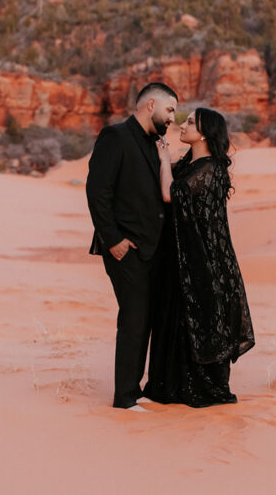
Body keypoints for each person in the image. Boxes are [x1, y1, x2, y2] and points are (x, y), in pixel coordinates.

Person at [143, 107, 255, 407]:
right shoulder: (189, 164)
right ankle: (169, 385)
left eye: (190, 122)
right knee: (175, 317)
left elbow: (171, 194)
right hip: (180, 256)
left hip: (203, 259)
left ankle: (197, 387)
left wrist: (164, 160)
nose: (183, 125)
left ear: (204, 133)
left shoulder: (210, 168)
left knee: (198, 318)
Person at [86, 82, 178, 410]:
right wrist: (113, 241)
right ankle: (124, 398)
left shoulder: (156, 144)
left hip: (154, 250)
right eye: (169, 109)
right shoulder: (116, 137)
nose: (172, 118)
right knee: (134, 320)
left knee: (147, 320)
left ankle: (135, 390)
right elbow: (98, 191)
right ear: (149, 103)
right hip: (126, 248)